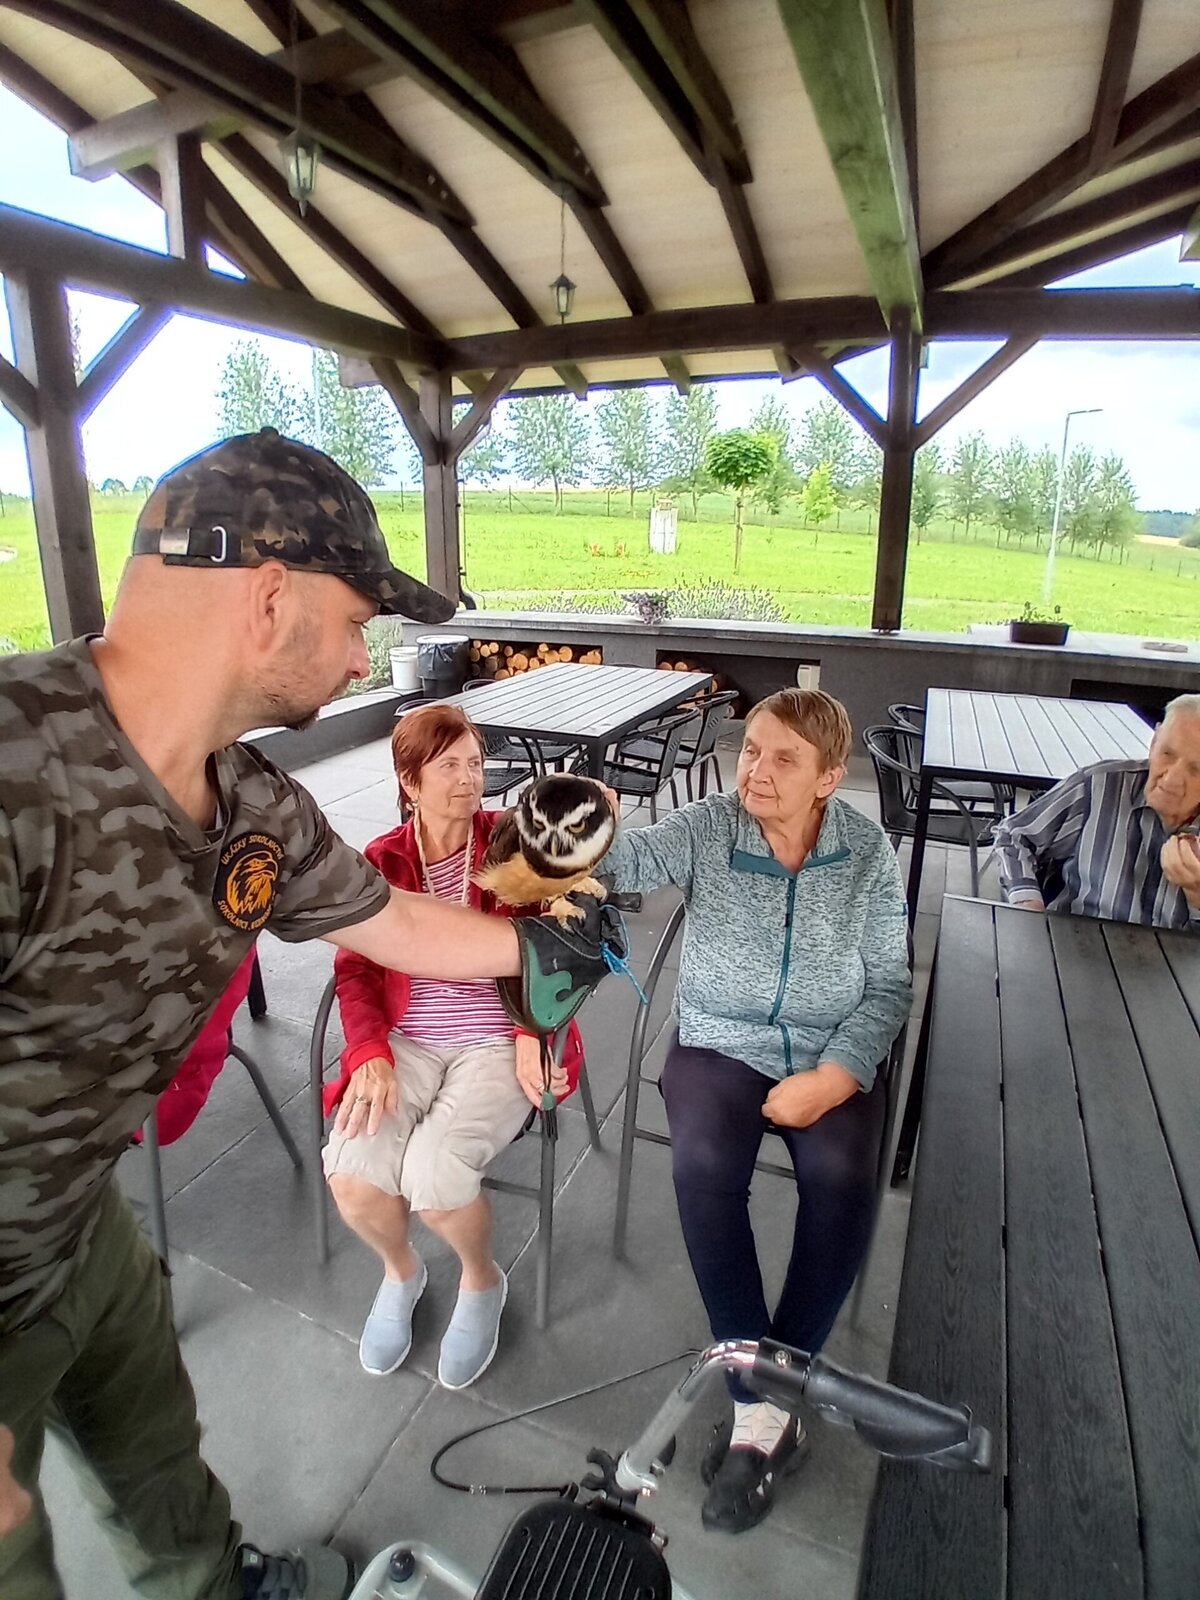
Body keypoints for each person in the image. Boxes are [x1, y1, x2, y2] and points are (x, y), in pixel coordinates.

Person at [0, 431, 609, 1600]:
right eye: (356, 619)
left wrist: (543, 948)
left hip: (84, 1225)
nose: (362, 655)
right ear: (270, 595)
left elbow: (391, 921)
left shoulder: (252, 801)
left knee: (159, 1468)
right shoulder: (19, 761)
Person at [600, 688, 911, 1535]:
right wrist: (588, 831)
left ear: (828, 778)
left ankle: (773, 1380)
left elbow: (889, 983)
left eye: (783, 759)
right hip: (718, 1040)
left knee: (842, 1173)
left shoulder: (867, 853)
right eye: (751, 750)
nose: (756, 770)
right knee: (703, 1161)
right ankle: (760, 1397)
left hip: (829, 1047)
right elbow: (631, 862)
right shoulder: (712, 826)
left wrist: (839, 1075)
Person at [322, 704, 583, 1388]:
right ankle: (401, 1272)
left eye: (475, 763)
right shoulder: (382, 861)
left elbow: (563, 944)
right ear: (409, 781)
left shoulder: (515, 844)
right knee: (352, 1174)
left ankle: (480, 1278)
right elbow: (355, 968)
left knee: (435, 1178)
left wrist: (532, 1032)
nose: (469, 779)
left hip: (497, 1040)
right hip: (407, 1040)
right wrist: (368, 1051)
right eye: (449, 766)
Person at [993, 692, 1200, 927]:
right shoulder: (1100, 787)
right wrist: (1027, 904)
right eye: (1167, 753)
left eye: (1196, 769)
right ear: (1154, 742)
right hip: (1078, 940)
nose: (1172, 780)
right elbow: (1014, 836)